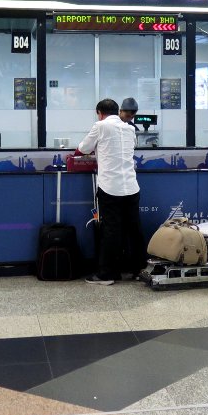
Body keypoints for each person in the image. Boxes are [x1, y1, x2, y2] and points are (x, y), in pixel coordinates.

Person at [76, 98, 144, 285]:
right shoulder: (130, 129)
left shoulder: (100, 126)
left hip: (110, 188)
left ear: (100, 112)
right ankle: (139, 269)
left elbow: (83, 149)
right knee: (134, 229)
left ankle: (107, 274)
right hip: (131, 186)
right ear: (117, 111)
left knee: (111, 230)